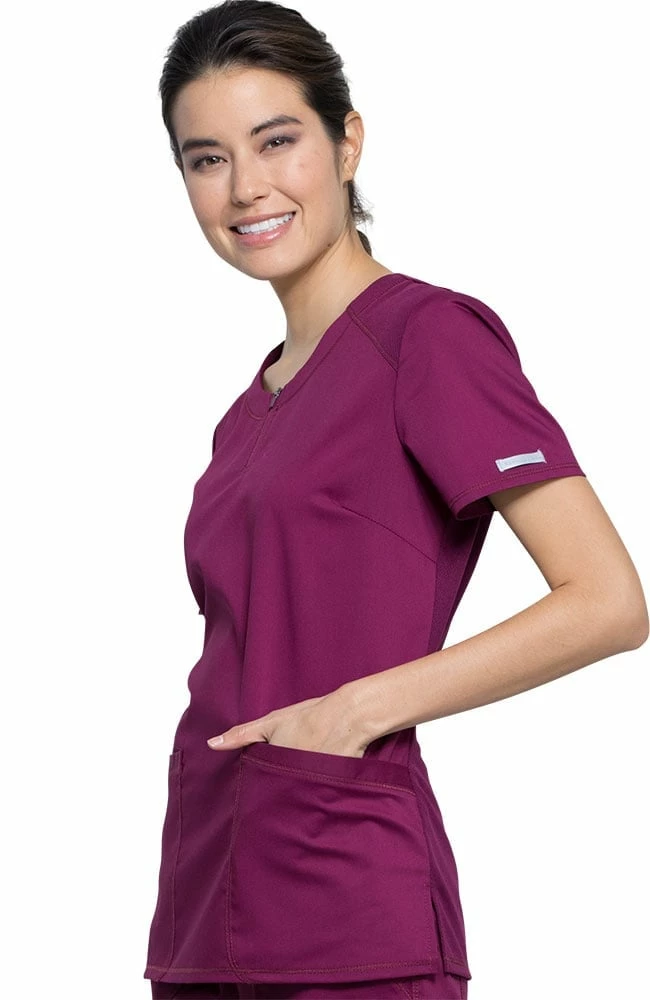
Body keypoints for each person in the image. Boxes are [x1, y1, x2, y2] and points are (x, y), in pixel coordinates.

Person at [143, 2, 648, 997]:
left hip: (346, 892)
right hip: (205, 886)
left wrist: (354, 711)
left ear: (346, 143)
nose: (245, 187)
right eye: (206, 159)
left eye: (276, 141)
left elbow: (606, 601)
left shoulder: (427, 337)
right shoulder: (246, 412)